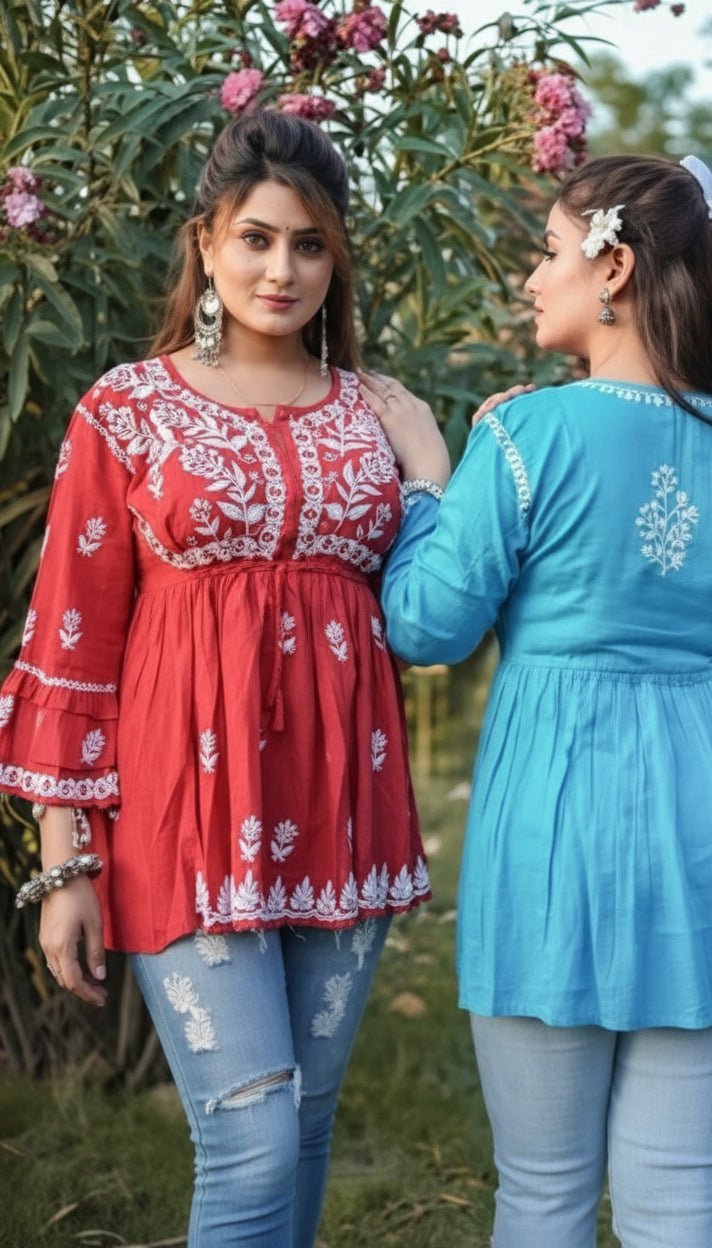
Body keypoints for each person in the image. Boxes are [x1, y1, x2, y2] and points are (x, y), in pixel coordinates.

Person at [363, 154, 712, 1247]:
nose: (531, 275)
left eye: (550, 250)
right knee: (679, 1201)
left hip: (551, 836)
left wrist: (429, 477)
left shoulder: (523, 437)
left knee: (544, 1195)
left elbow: (426, 625)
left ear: (612, 268)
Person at [1, 109, 430, 1247]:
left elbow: (432, 600)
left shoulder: (374, 415)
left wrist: (431, 469)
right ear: (203, 242)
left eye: (309, 244)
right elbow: (73, 638)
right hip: (186, 817)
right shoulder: (129, 409)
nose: (281, 268)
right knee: (249, 1142)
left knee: (305, 1127)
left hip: (342, 811)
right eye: (255, 238)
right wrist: (64, 860)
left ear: (336, 257)